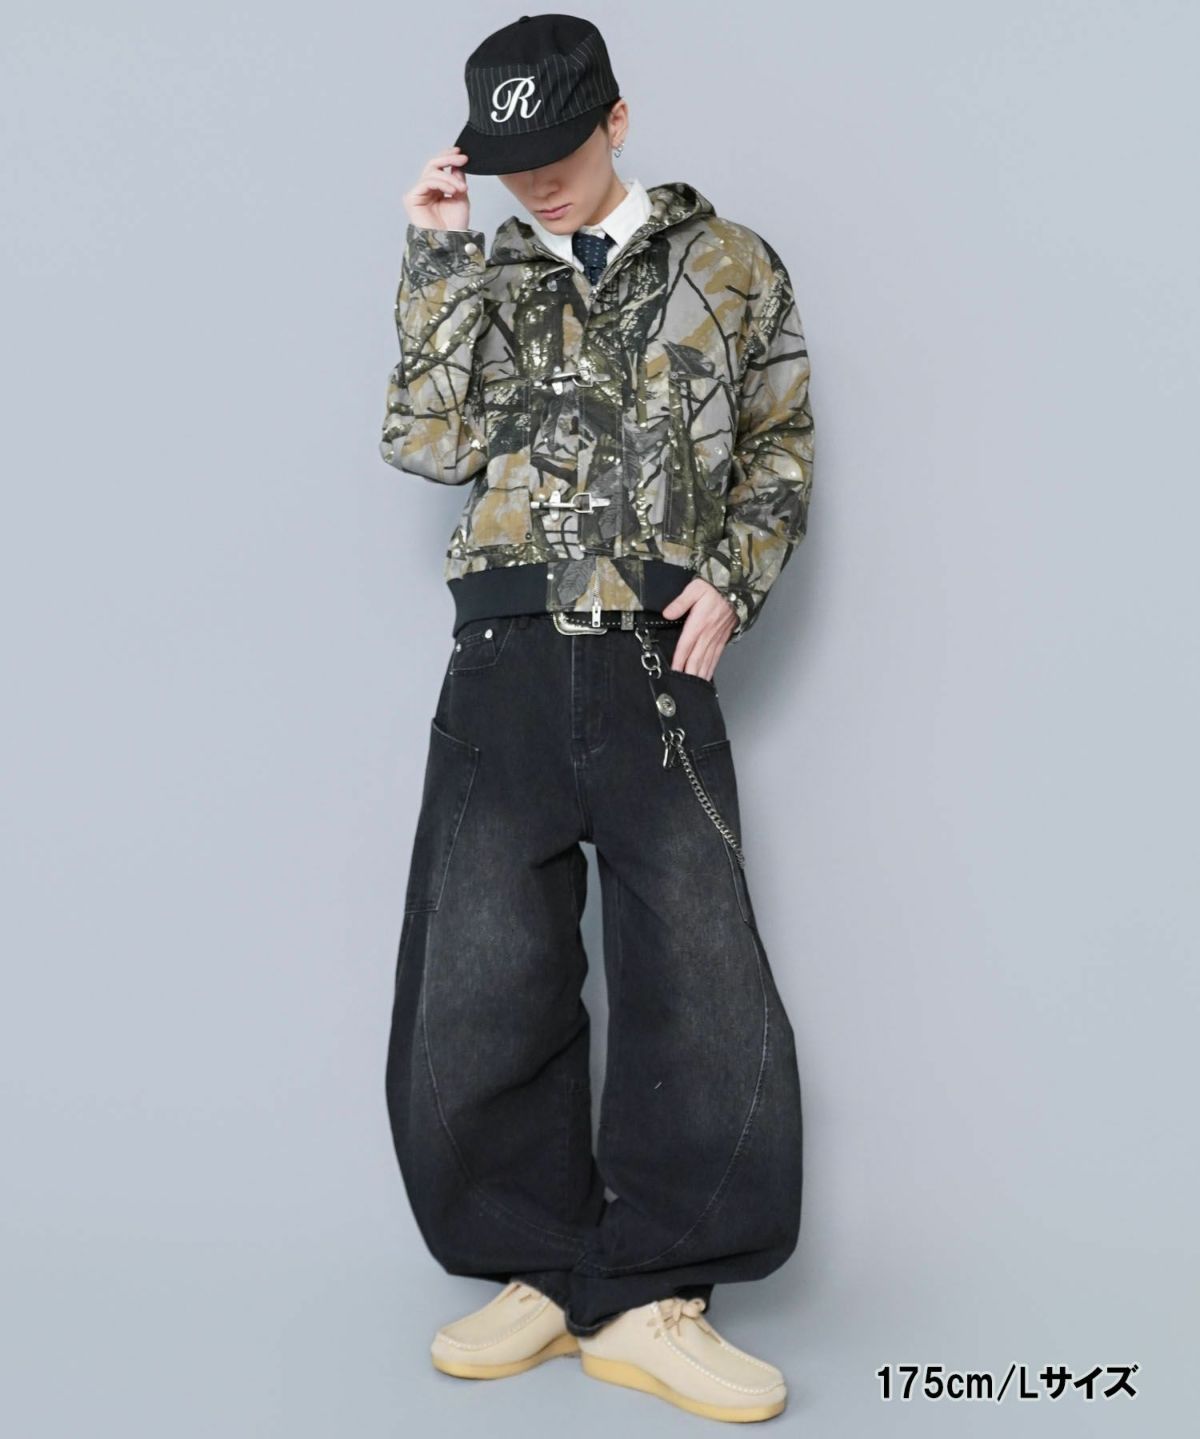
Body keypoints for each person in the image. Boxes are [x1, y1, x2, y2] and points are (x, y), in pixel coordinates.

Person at [381, 12, 814, 1424]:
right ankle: (542, 1267)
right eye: (512, 162)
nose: (539, 183)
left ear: (617, 120)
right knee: (480, 972)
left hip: (654, 656)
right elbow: (429, 443)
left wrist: (735, 580)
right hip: (504, 651)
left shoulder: (731, 263)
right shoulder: (489, 269)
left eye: (560, 152)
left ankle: (652, 1294)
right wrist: (438, 253)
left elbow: (778, 443)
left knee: (695, 970)